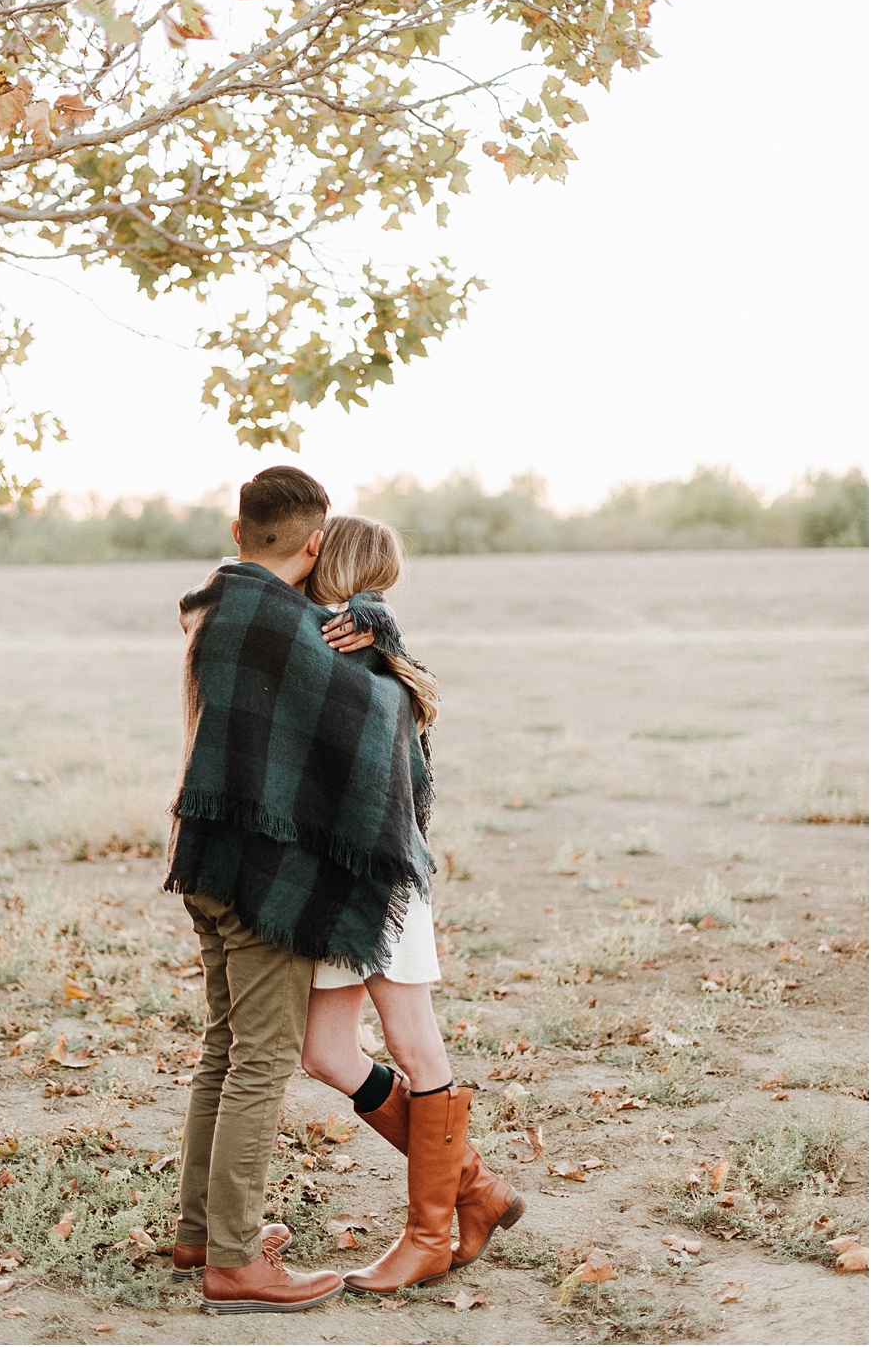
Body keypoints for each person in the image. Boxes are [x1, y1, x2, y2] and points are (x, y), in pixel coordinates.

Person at [164, 468, 435, 1313]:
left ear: (238, 532)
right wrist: (383, 636)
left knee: (223, 1048)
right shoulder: (290, 626)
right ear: (316, 543)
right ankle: (236, 1265)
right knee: (260, 1064)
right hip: (262, 876)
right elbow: (383, 713)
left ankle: (201, 1231)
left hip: (205, 860)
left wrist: (372, 627)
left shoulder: (220, 603)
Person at [301, 514, 525, 1294]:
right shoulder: (354, 643)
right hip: (334, 882)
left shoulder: (365, 652)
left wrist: (375, 626)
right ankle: (478, 1189)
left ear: (329, 563)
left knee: (415, 1045)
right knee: (325, 1053)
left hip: (382, 878)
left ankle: (429, 1236)